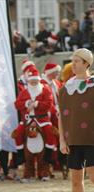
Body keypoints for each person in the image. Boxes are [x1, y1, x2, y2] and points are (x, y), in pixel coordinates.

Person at [59, 48, 94, 192]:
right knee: (75, 183)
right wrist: (62, 140)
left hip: (92, 139)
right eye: (72, 61)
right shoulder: (65, 88)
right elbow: (61, 116)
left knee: (93, 177)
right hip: (72, 140)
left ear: (86, 64)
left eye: (76, 61)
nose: (72, 64)